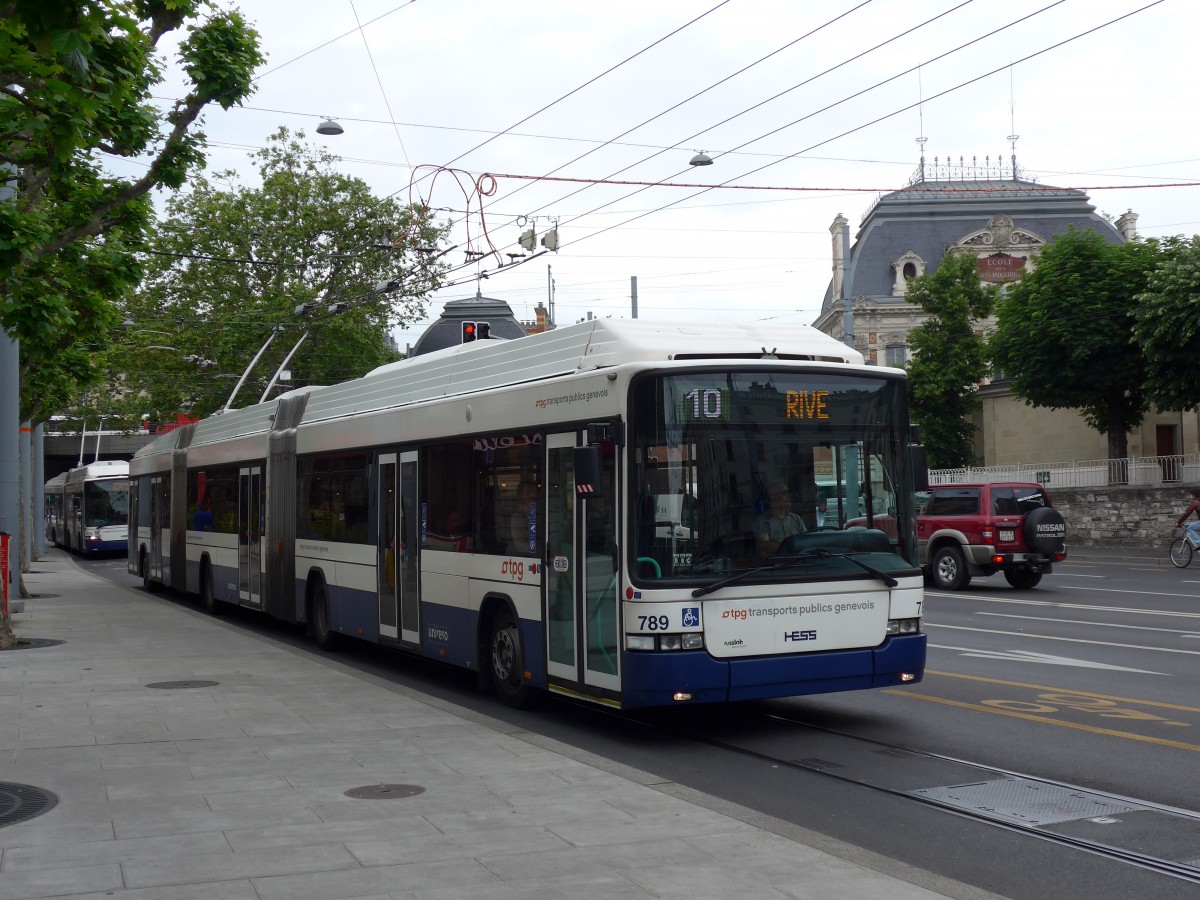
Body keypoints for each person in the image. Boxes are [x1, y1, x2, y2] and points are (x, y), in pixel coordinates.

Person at [756, 481, 806, 555]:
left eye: (787, 493)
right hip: (775, 564)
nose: (788, 496)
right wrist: (792, 547)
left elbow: (805, 540)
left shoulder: (796, 518)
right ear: (772, 498)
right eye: (784, 493)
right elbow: (765, 545)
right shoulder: (763, 520)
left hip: (798, 561)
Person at [508, 481, 537, 555]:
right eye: (527, 493)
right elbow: (520, 545)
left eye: (532, 492)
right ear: (521, 497)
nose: (532, 495)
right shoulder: (516, 517)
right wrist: (538, 550)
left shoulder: (533, 513)